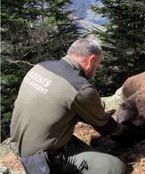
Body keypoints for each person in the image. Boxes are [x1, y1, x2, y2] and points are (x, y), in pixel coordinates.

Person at [10, 38, 127, 174]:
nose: (96, 70)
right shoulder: (80, 88)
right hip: (43, 159)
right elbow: (104, 125)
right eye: (98, 65)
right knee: (115, 167)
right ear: (91, 60)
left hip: (20, 143)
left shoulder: (40, 66)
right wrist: (125, 132)